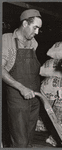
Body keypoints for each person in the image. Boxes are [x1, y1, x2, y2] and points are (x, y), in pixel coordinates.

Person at [2, 9, 42, 147]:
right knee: (20, 142)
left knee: (29, 140)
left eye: (38, 29)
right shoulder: (7, 40)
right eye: (35, 27)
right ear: (25, 23)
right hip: (18, 98)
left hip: (34, 97)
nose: (36, 32)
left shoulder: (33, 43)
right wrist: (21, 87)